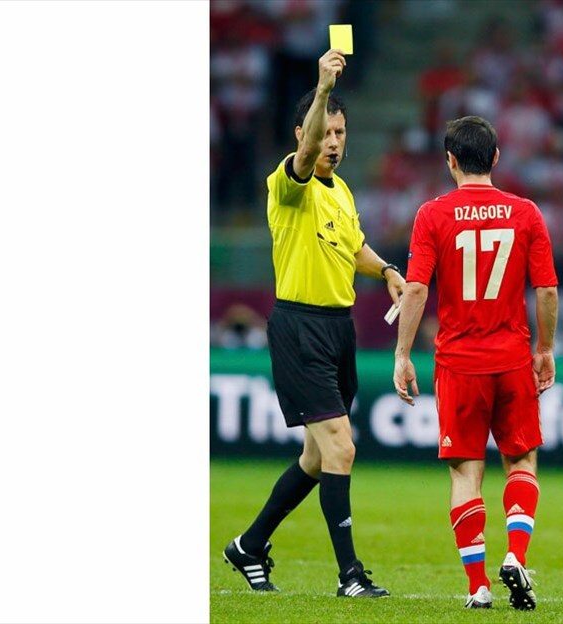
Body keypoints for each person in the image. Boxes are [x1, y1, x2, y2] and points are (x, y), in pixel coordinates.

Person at [224, 48, 404, 599]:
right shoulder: (288, 181)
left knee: (315, 456)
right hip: (299, 327)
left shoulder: (343, 192)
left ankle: (249, 545)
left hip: (337, 330)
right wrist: (323, 87)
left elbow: (355, 250)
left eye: (341, 132)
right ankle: (350, 575)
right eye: (325, 131)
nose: (333, 141)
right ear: (304, 132)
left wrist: (389, 270)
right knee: (341, 450)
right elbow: (302, 156)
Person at [393, 116, 559, 610]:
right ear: (495, 159)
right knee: (522, 460)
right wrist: (545, 350)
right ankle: (517, 556)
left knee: (467, 474)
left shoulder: (432, 214)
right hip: (511, 359)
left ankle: (478, 587)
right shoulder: (526, 213)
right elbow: (546, 289)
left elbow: (418, 288)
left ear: (449, 161)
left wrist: (402, 354)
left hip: (459, 363)